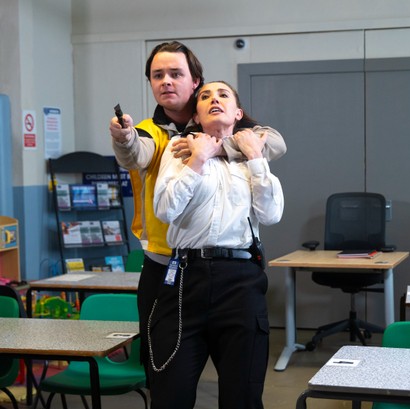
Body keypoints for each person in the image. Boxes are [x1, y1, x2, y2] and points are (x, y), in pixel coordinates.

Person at [108, 41, 286, 380]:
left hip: (232, 272)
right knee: (161, 378)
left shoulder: (220, 114)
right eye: (158, 75)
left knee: (240, 385)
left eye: (176, 74)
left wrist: (212, 146)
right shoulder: (152, 130)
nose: (166, 82)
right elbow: (135, 153)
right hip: (165, 268)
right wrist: (124, 137)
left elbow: (273, 141)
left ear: (195, 82)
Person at [141, 80, 283, 409]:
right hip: (186, 279)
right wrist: (197, 160)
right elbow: (166, 210)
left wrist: (256, 158)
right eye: (205, 96)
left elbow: (271, 214)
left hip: (241, 281)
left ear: (238, 114)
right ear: (196, 114)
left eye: (223, 95)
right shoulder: (178, 150)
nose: (213, 99)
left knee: (243, 404)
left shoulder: (252, 154)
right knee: (169, 402)